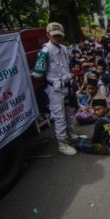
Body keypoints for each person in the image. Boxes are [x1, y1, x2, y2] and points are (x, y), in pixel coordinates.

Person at [33, 22, 78, 155]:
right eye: (55, 35)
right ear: (48, 35)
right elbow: (37, 73)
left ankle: (70, 133)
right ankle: (62, 143)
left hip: (67, 85)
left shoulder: (64, 48)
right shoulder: (45, 51)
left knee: (69, 111)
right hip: (55, 88)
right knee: (59, 116)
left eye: (60, 35)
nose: (58, 38)